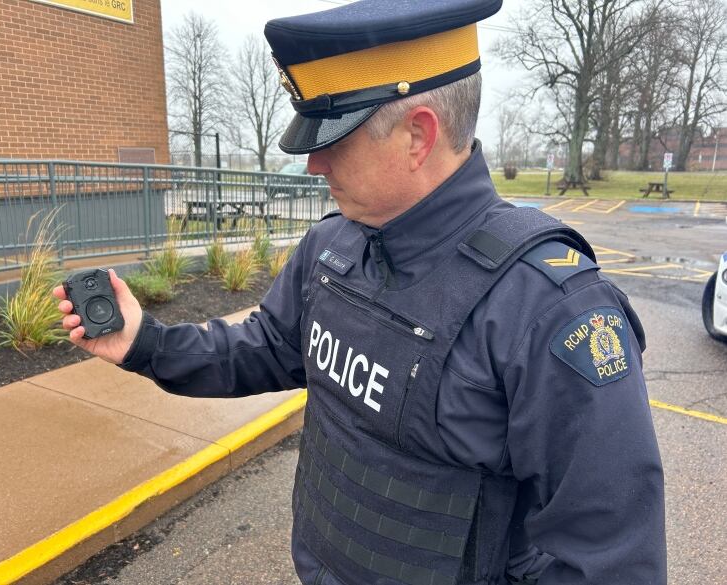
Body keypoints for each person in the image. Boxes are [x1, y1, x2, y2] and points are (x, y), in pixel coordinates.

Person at [54, 1, 666, 583]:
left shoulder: (547, 309)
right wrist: (145, 343)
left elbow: (607, 556)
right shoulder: (332, 249)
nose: (314, 166)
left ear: (417, 137)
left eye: (333, 142)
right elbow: (266, 346)